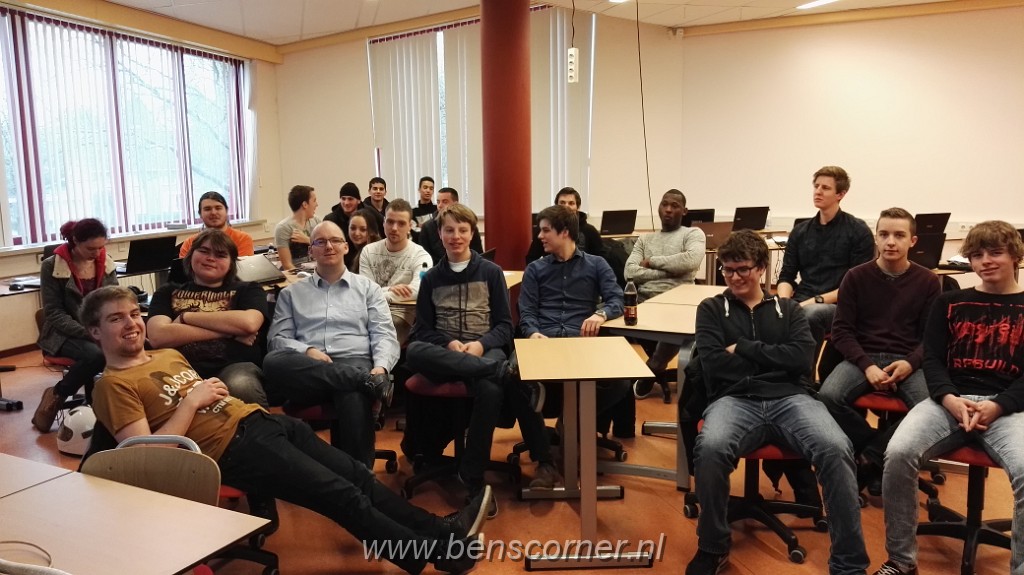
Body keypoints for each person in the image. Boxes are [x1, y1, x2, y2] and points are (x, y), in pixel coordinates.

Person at [82, 285, 491, 575]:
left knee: (357, 476)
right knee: (341, 496)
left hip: (261, 422)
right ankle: (437, 554)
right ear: (95, 332)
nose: (131, 324)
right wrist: (192, 402)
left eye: (134, 314)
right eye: (116, 319)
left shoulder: (166, 354)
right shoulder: (112, 385)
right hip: (231, 449)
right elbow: (149, 458)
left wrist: (208, 396)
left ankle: (443, 530)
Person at [688, 230, 868, 575]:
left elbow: (801, 359)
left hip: (791, 398)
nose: (734, 277)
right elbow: (714, 364)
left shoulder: (789, 310)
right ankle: (712, 547)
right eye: (727, 270)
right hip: (734, 399)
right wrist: (775, 359)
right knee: (710, 448)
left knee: (836, 447)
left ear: (761, 268)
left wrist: (743, 348)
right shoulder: (711, 309)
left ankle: (849, 564)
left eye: (742, 269)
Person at [873, 220, 1024, 575]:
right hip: (947, 401)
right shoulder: (949, 302)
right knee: (898, 453)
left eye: (995, 253)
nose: (986, 261)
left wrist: (998, 405)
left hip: (1008, 407)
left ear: (1015, 256)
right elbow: (933, 360)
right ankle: (901, 561)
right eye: (977, 255)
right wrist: (949, 399)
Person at [406, 204, 540, 518]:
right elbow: (422, 329)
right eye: (449, 230)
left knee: (490, 390)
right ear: (439, 234)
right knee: (414, 351)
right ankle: (504, 372)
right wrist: (449, 343)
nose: (456, 236)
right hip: (446, 353)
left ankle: (473, 477)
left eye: (462, 230)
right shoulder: (431, 278)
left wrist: (480, 345)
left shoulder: (491, 273)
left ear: (472, 234)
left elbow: (504, 326)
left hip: (485, 348)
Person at [818, 208, 940, 493]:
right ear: (876, 238)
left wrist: (910, 363)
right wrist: (866, 365)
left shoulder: (928, 281)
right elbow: (842, 332)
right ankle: (876, 449)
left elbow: (932, 338)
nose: (890, 242)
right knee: (826, 397)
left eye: (899, 235)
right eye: (884, 234)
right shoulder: (855, 277)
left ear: (913, 241)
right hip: (863, 357)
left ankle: (869, 458)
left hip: (907, 360)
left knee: (931, 409)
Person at [263, 220, 400, 467]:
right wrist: (307, 350)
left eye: (335, 240)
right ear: (310, 251)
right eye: (320, 241)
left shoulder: (368, 289)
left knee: (352, 393)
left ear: (346, 247)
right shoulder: (291, 293)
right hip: (309, 371)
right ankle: (367, 383)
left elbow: (384, 334)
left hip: (354, 359)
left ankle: (360, 478)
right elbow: (278, 340)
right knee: (273, 361)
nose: (329, 246)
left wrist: (380, 368)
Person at [519, 204, 627, 466]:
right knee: (513, 379)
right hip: (544, 342)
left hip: (582, 343)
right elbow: (526, 311)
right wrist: (532, 333)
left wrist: (600, 314)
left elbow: (617, 299)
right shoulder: (535, 269)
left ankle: (572, 420)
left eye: (546, 230)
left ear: (565, 232)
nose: (540, 236)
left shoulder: (596, 264)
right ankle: (544, 456)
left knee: (622, 380)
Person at [148, 229, 271, 408]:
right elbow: (158, 336)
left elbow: (249, 323)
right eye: (204, 251)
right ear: (190, 255)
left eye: (220, 255)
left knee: (240, 385)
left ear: (231, 263)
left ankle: (260, 427)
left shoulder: (248, 290)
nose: (211, 258)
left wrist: (185, 317)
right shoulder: (167, 292)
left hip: (233, 366)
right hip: (178, 370)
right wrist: (230, 332)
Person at [33, 218, 119, 432]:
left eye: (101, 247)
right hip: (63, 333)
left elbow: (114, 299)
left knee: (143, 345)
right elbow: (54, 313)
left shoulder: (105, 261)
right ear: (75, 241)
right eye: (91, 248)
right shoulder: (52, 266)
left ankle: (115, 406)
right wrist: (89, 332)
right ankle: (57, 394)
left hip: (99, 329)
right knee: (95, 356)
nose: (97, 253)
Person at [776, 166, 874, 348]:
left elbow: (856, 286)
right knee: (765, 312)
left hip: (839, 305)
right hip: (802, 300)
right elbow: (786, 276)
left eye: (826, 188)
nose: (818, 191)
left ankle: (805, 366)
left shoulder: (858, 231)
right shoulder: (800, 231)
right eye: (816, 186)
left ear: (841, 194)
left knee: (810, 314)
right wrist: (783, 302)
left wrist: (812, 302)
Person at [625, 189, 706, 397]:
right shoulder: (645, 239)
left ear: (684, 211)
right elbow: (630, 272)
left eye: (674, 206)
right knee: (611, 321)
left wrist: (652, 261)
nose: (668, 209)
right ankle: (626, 377)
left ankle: (654, 367)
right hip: (644, 300)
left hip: (678, 300)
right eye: (664, 204)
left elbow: (690, 261)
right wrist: (670, 271)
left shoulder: (693, 234)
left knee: (678, 320)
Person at [358, 199, 433, 345]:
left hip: (400, 313)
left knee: (377, 336)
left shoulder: (421, 256)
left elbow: (419, 290)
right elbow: (364, 291)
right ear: (383, 223)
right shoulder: (368, 251)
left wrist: (381, 294)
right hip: (369, 310)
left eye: (401, 223)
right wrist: (390, 289)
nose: (394, 228)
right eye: (390, 222)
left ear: (410, 226)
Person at [524, 187, 604, 265]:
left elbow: (601, 259)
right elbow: (532, 258)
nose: (566, 206)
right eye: (562, 203)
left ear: (578, 207)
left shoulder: (590, 231)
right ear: (556, 206)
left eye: (571, 203)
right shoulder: (544, 230)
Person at [178, 191, 255, 258]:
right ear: (200, 214)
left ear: (226, 211)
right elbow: (184, 269)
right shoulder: (189, 243)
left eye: (218, 208)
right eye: (207, 209)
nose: (213, 213)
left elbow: (241, 269)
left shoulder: (242, 239)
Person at [417, 188, 483, 264]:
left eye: (445, 202)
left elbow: (479, 253)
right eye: (438, 202)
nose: (440, 205)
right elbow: (424, 259)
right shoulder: (427, 227)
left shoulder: (468, 225)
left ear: (456, 204)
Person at [274, 184, 320, 271]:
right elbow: (287, 265)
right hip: (297, 274)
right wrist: (305, 278)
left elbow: (325, 247)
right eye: (314, 201)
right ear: (305, 204)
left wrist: (307, 240)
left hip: (318, 271)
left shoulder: (317, 221)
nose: (317, 204)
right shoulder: (283, 228)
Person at [346, 209, 382, 273]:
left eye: (363, 229)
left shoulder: (375, 253)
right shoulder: (346, 247)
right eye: (353, 228)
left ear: (372, 231)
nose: (357, 233)